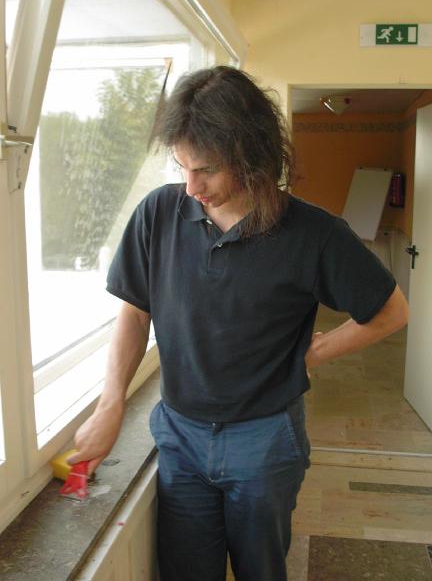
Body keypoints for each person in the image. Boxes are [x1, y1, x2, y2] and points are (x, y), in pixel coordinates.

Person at [68, 66, 409, 581]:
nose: (191, 187)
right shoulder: (158, 213)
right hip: (179, 436)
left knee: (260, 570)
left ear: (251, 156)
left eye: (206, 170)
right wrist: (111, 404)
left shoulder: (314, 233)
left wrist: (312, 352)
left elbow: (391, 312)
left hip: (265, 439)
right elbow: (135, 313)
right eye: (182, 167)